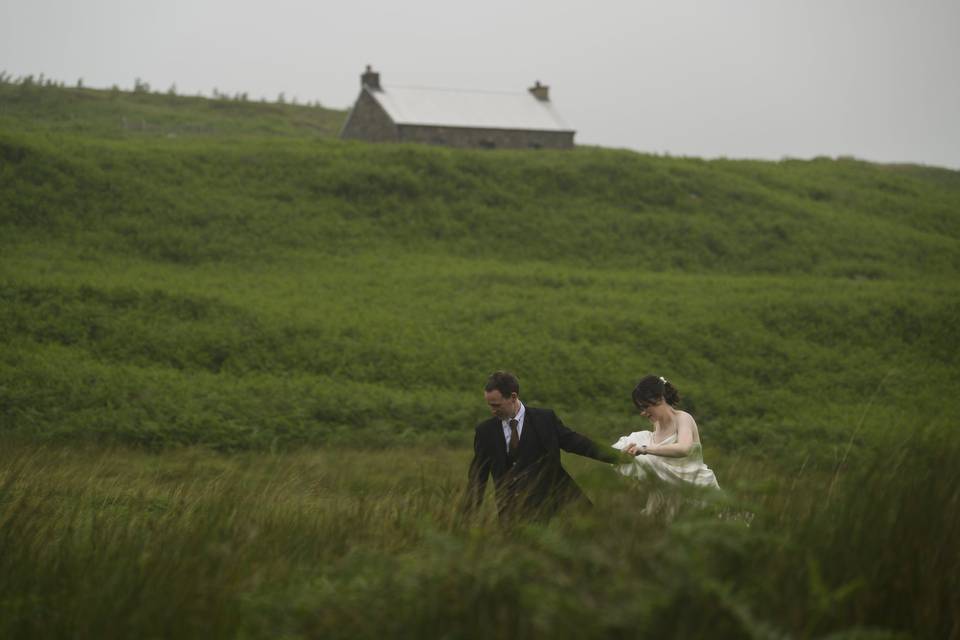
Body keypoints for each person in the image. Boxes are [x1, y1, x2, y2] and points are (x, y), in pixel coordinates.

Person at [463, 371, 628, 522]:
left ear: (513, 397)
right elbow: (478, 477)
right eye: (490, 405)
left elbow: (577, 443)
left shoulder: (545, 420)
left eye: (496, 405)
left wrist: (618, 456)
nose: (492, 410)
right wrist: (465, 517)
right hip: (512, 516)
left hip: (556, 507)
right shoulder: (485, 432)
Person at [613, 375, 719, 515]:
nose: (643, 413)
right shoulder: (656, 425)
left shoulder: (683, 418)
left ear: (659, 399)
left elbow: (683, 448)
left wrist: (645, 450)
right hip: (670, 492)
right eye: (641, 408)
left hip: (694, 487)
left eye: (646, 407)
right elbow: (660, 459)